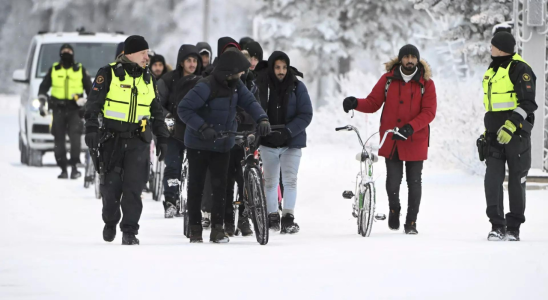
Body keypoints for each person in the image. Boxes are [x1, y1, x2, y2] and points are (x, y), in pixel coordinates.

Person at [342, 44, 437, 235]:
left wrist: (410, 127)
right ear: (400, 59)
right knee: (393, 182)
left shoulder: (426, 83)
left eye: (413, 57)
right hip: (392, 139)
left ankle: (411, 222)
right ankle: (395, 209)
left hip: (415, 139)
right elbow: (373, 103)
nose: (410, 60)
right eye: (406, 57)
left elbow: (429, 112)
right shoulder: (387, 80)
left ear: (418, 60)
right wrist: (355, 102)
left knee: (414, 182)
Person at [178, 50, 271, 243]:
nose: (242, 75)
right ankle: (195, 227)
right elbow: (184, 109)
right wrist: (203, 127)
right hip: (199, 143)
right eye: (239, 72)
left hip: (223, 143)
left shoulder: (236, 86)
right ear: (230, 71)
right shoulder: (205, 86)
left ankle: (218, 229)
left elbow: (251, 103)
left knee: (221, 187)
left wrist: (262, 118)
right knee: (197, 186)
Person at [84, 35, 169, 245]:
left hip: (138, 141)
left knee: (134, 188)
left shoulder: (148, 78)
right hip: (111, 140)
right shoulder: (108, 73)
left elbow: (156, 112)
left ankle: (130, 231)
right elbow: (93, 104)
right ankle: (110, 220)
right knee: (111, 189)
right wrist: (92, 128)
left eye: (147, 53)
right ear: (129, 53)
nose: (146, 57)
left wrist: (163, 138)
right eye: (142, 53)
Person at [480, 32, 536, 241]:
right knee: (492, 180)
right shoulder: (493, 69)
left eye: (493, 45)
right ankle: (497, 225)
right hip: (494, 136)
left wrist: (511, 125)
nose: (490, 48)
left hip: (517, 135)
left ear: (501, 48)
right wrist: (489, 130)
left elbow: (528, 103)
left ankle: (513, 227)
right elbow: (492, 107)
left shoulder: (521, 69)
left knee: (515, 180)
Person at [255, 51, 313, 234]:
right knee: (270, 182)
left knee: (290, 181)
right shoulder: (261, 85)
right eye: (277, 67)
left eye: (284, 67)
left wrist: (288, 131)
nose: (281, 71)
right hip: (268, 140)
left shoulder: (297, 86)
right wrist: (263, 128)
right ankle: (272, 215)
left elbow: (306, 114)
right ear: (271, 68)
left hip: (291, 141)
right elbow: (254, 107)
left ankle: (288, 217)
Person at [157, 45, 202, 218]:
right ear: (181, 62)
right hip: (173, 131)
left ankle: (194, 202)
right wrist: (167, 116)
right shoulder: (168, 80)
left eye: (195, 61)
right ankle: (171, 201)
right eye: (189, 60)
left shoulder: (204, 80)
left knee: (196, 170)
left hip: (195, 131)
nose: (192, 64)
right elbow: (157, 104)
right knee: (173, 167)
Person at [38, 43, 92, 179]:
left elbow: (89, 89)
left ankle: (74, 167)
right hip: (58, 109)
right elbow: (43, 87)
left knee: (75, 138)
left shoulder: (80, 69)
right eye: (64, 51)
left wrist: (88, 104)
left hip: (75, 109)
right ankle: (62, 168)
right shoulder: (54, 69)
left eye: (69, 51)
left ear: (73, 53)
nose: (66, 53)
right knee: (59, 139)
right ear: (60, 53)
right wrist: (42, 101)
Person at [223, 48, 259, 237]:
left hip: (248, 135)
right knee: (228, 179)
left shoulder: (252, 84)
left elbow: (255, 106)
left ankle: (244, 218)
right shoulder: (228, 83)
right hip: (230, 135)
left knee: (246, 180)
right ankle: (228, 220)